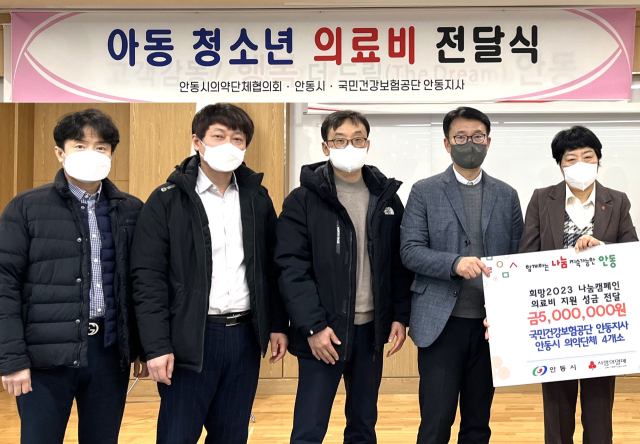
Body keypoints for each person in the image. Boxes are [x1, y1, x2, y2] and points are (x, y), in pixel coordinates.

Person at [130, 103, 288, 444]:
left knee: (231, 435)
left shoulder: (257, 199)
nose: (229, 145)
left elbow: (270, 270)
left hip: (244, 338)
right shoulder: (166, 200)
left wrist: (277, 324)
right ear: (197, 142)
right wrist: (155, 346)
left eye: (237, 138)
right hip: (189, 338)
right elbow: (148, 279)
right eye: (218, 136)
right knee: (177, 436)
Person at [0, 108, 147, 444]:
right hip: (45, 357)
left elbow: (138, 285)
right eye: (80, 146)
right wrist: (11, 359)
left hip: (108, 353)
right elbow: (4, 286)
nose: (91, 153)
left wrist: (141, 346)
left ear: (111, 155)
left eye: (101, 147)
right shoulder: (26, 208)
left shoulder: (131, 209)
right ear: (60, 152)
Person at [276, 110, 413, 444]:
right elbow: (291, 267)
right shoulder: (303, 200)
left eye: (357, 139)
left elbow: (398, 264)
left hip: (371, 331)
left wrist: (399, 316)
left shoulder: (386, 198)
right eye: (339, 141)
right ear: (325, 147)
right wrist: (313, 327)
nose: (349, 147)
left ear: (368, 144)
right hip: (325, 332)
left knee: (363, 425)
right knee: (309, 428)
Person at [400, 106, 523, 444]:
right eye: (461, 137)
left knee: (478, 424)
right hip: (441, 325)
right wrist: (454, 263)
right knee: (436, 422)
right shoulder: (424, 191)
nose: (470, 143)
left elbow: (518, 257)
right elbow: (409, 250)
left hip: (489, 326)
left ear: (488, 142)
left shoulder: (507, 195)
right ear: (447, 143)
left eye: (478, 137)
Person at [518, 126, 638, 444]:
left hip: (601, 320)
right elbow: (526, 257)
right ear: (560, 164)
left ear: (599, 161)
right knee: (557, 410)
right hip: (554, 320)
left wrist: (602, 248)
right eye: (571, 159)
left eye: (588, 156)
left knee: (599, 409)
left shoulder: (617, 201)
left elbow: (632, 255)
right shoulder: (542, 199)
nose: (581, 164)